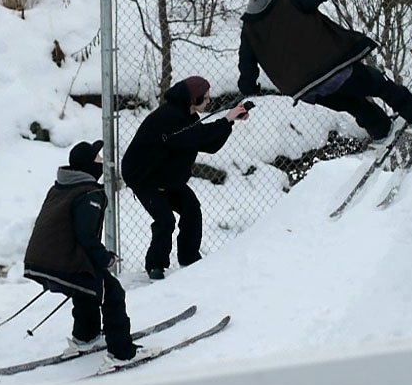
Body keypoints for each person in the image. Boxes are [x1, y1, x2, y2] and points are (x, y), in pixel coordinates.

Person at [237, 0, 412, 145]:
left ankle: (381, 131)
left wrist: (250, 88)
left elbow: (247, 69)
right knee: (379, 84)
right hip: (331, 69)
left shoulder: (249, 27)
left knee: (354, 104)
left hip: (305, 89)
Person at [23, 140, 154, 368]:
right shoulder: (89, 193)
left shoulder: (60, 188)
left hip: (41, 261)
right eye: (98, 159)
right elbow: (85, 235)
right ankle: (122, 354)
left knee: (88, 287)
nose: (102, 162)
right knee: (112, 292)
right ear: (87, 166)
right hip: (63, 262)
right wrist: (105, 258)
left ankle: (86, 337)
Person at [121, 76, 250, 280]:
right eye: (204, 98)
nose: (208, 101)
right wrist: (226, 120)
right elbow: (198, 136)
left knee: (192, 210)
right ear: (192, 99)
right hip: (145, 179)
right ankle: (155, 265)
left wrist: (230, 122)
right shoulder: (169, 117)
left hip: (170, 179)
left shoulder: (189, 118)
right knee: (165, 220)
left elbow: (209, 144)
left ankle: (189, 258)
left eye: (209, 97)